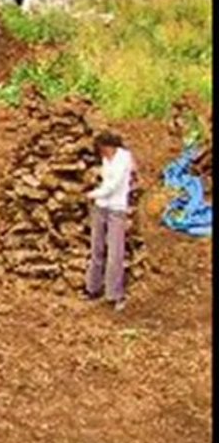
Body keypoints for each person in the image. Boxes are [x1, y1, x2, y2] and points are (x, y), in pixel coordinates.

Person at [85, 131, 136, 313]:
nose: (103, 154)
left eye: (103, 149)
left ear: (110, 146)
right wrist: (97, 197)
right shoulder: (106, 159)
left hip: (117, 209)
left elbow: (113, 185)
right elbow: (105, 180)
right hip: (101, 207)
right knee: (96, 248)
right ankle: (93, 288)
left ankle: (115, 295)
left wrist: (92, 194)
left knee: (115, 252)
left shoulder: (124, 158)